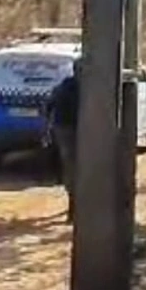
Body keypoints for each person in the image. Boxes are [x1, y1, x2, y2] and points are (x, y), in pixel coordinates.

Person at [46, 58, 81, 222]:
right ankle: (76, 207)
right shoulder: (90, 88)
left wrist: (48, 129)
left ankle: (73, 206)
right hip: (79, 130)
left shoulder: (63, 86)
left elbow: (49, 106)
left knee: (70, 167)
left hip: (64, 129)